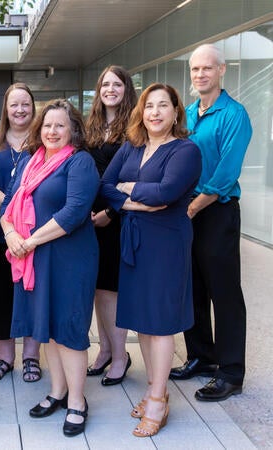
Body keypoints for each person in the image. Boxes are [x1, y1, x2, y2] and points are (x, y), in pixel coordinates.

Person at [101, 83, 201, 437]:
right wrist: (134, 198)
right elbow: (106, 184)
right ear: (141, 112)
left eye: (163, 106)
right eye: (149, 106)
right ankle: (154, 389)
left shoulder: (186, 150)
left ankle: (158, 398)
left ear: (176, 112)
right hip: (135, 240)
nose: (155, 112)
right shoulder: (132, 145)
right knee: (143, 320)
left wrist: (128, 190)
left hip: (165, 245)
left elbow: (166, 194)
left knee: (159, 323)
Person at [1, 99, 99, 437]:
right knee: (48, 327)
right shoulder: (31, 162)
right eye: (47, 125)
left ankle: (77, 400)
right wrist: (11, 232)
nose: (52, 131)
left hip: (70, 258)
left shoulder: (80, 162)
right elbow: (8, 206)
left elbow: (72, 214)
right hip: (38, 259)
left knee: (69, 329)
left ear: (73, 129)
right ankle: (57, 391)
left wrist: (28, 242)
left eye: (60, 125)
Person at [169, 44, 252, 402]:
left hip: (215, 211)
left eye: (207, 68)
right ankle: (202, 356)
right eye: (194, 69)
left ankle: (231, 371)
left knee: (224, 292)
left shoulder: (235, 114)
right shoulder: (187, 113)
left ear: (222, 71)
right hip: (187, 209)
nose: (200, 74)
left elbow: (225, 174)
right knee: (194, 288)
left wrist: (192, 208)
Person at [0, 83, 42, 383]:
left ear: (33, 107)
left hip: (34, 235)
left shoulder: (44, 142)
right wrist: (6, 199)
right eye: (14, 104)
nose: (20, 110)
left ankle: (31, 356)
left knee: (31, 295)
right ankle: (4, 357)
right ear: (5, 109)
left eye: (25, 104)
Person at [85, 66, 137, 386]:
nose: (110, 89)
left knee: (111, 291)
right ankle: (104, 350)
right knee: (96, 288)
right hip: (89, 219)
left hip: (117, 216)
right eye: (105, 84)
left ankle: (120, 356)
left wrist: (109, 212)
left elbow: (132, 177)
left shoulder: (134, 127)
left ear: (126, 89)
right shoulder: (90, 126)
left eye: (117, 84)